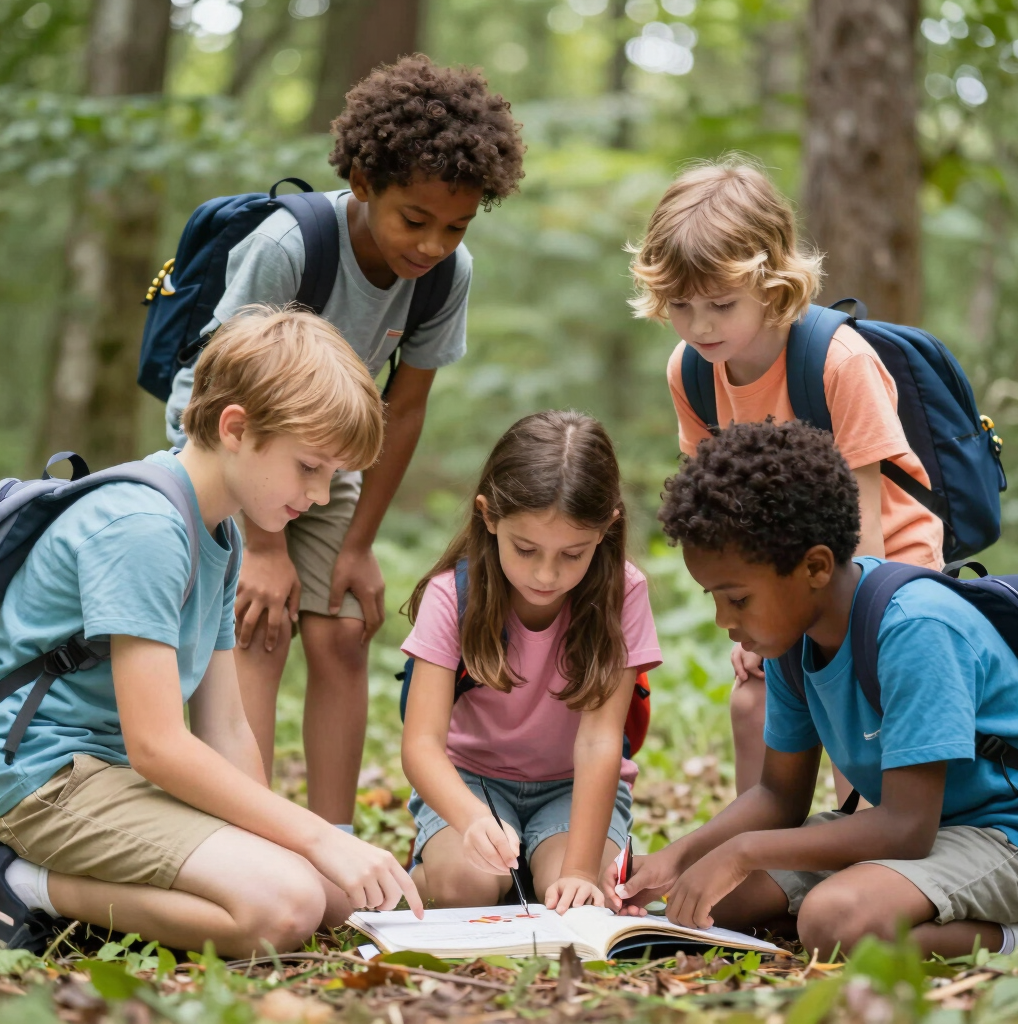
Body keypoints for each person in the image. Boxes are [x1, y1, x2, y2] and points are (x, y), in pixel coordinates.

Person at [164, 56, 526, 830]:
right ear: (364, 182)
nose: (432, 244)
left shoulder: (443, 275)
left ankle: (335, 843)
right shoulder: (290, 246)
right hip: (231, 445)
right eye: (414, 220)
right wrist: (262, 548)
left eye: (456, 226)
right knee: (257, 628)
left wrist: (358, 544)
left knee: (343, 634)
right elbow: (228, 395)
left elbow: (406, 406)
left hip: (326, 452)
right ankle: (254, 830)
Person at [0, 307, 423, 956]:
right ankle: (27, 885)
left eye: (333, 476)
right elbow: (159, 747)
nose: (318, 496)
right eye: (309, 467)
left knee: (337, 897)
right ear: (236, 428)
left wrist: (289, 843)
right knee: (287, 906)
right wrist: (314, 838)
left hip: (105, 775)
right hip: (41, 779)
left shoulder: (219, 530)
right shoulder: (145, 528)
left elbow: (224, 728)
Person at [607, 419, 1018, 958]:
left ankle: (1010, 940)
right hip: (927, 833)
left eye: (736, 599)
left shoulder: (916, 629)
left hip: (1002, 835)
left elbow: (908, 828)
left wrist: (743, 852)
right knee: (723, 903)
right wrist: (678, 859)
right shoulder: (794, 641)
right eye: (713, 596)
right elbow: (779, 795)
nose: (721, 620)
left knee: (833, 920)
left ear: (816, 567)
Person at [628, 157, 944, 796]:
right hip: (781, 578)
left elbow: (868, 530)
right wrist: (749, 617)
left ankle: (858, 839)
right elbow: (718, 514)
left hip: (884, 578)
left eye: (721, 303)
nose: (701, 325)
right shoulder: (691, 371)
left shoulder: (838, 362)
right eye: (682, 306)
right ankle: (758, 862)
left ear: (772, 284)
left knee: (860, 714)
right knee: (753, 704)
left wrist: (832, 636)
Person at [400, 411, 661, 912]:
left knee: (579, 899)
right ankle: (449, 860)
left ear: (607, 530)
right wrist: (472, 818)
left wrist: (583, 871)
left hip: (572, 788)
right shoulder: (450, 596)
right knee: (464, 888)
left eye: (572, 554)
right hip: (472, 784)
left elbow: (600, 740)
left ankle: (548, 862)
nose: (546, 574)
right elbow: (422, 745)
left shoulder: (622, 594)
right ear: (488, 517)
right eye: (526, 549)